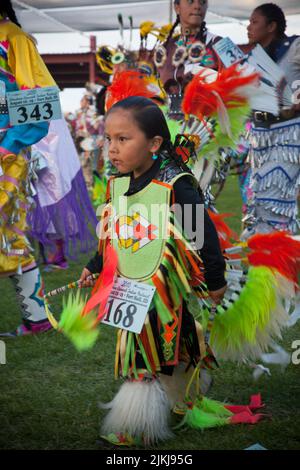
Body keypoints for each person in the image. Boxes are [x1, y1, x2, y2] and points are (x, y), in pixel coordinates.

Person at [79, 96, 227, 446]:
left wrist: (215, 280)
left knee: (148, 348)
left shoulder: (177, 184)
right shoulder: (119, 183)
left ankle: (137, 423)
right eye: (109, 139)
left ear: (155, 143)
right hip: (131, 285)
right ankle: (182, 397)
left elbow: (201, 232)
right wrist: (94, 265)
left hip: (164, 287)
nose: (112, 149)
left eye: (123, 139)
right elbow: (114, 234)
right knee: (173, 339)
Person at [0, 1, 56, 336]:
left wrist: (8, 145)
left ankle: (36, 318)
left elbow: (39, 101)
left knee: (9, 233)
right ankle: (36, 319)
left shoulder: (14, 39)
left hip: (7, 153)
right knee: (7, 235)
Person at [243, 3, 300, 236]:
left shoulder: (295, 47)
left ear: (272, 26)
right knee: (258, 204)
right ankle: (271, 264)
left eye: (255, 22)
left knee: (273, 201)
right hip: (260, 138)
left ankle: (273, 267)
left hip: (288, 135)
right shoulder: (252, 59)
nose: (249, 27)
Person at [28, 118, 98, 270]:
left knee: (53, 211)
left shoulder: (52, 116)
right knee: (35, 210)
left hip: (48, 165)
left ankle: (57, 255)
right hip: (31, 160)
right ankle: (43, 255)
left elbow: (54, 137)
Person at [155, 0, 222, 112]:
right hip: (172, 123)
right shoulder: (166, 48)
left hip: (207, 123)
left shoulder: (219, 44)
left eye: (202, 2)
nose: (197, 6)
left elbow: (243, 82)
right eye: (190, 1)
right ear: (177, 7)